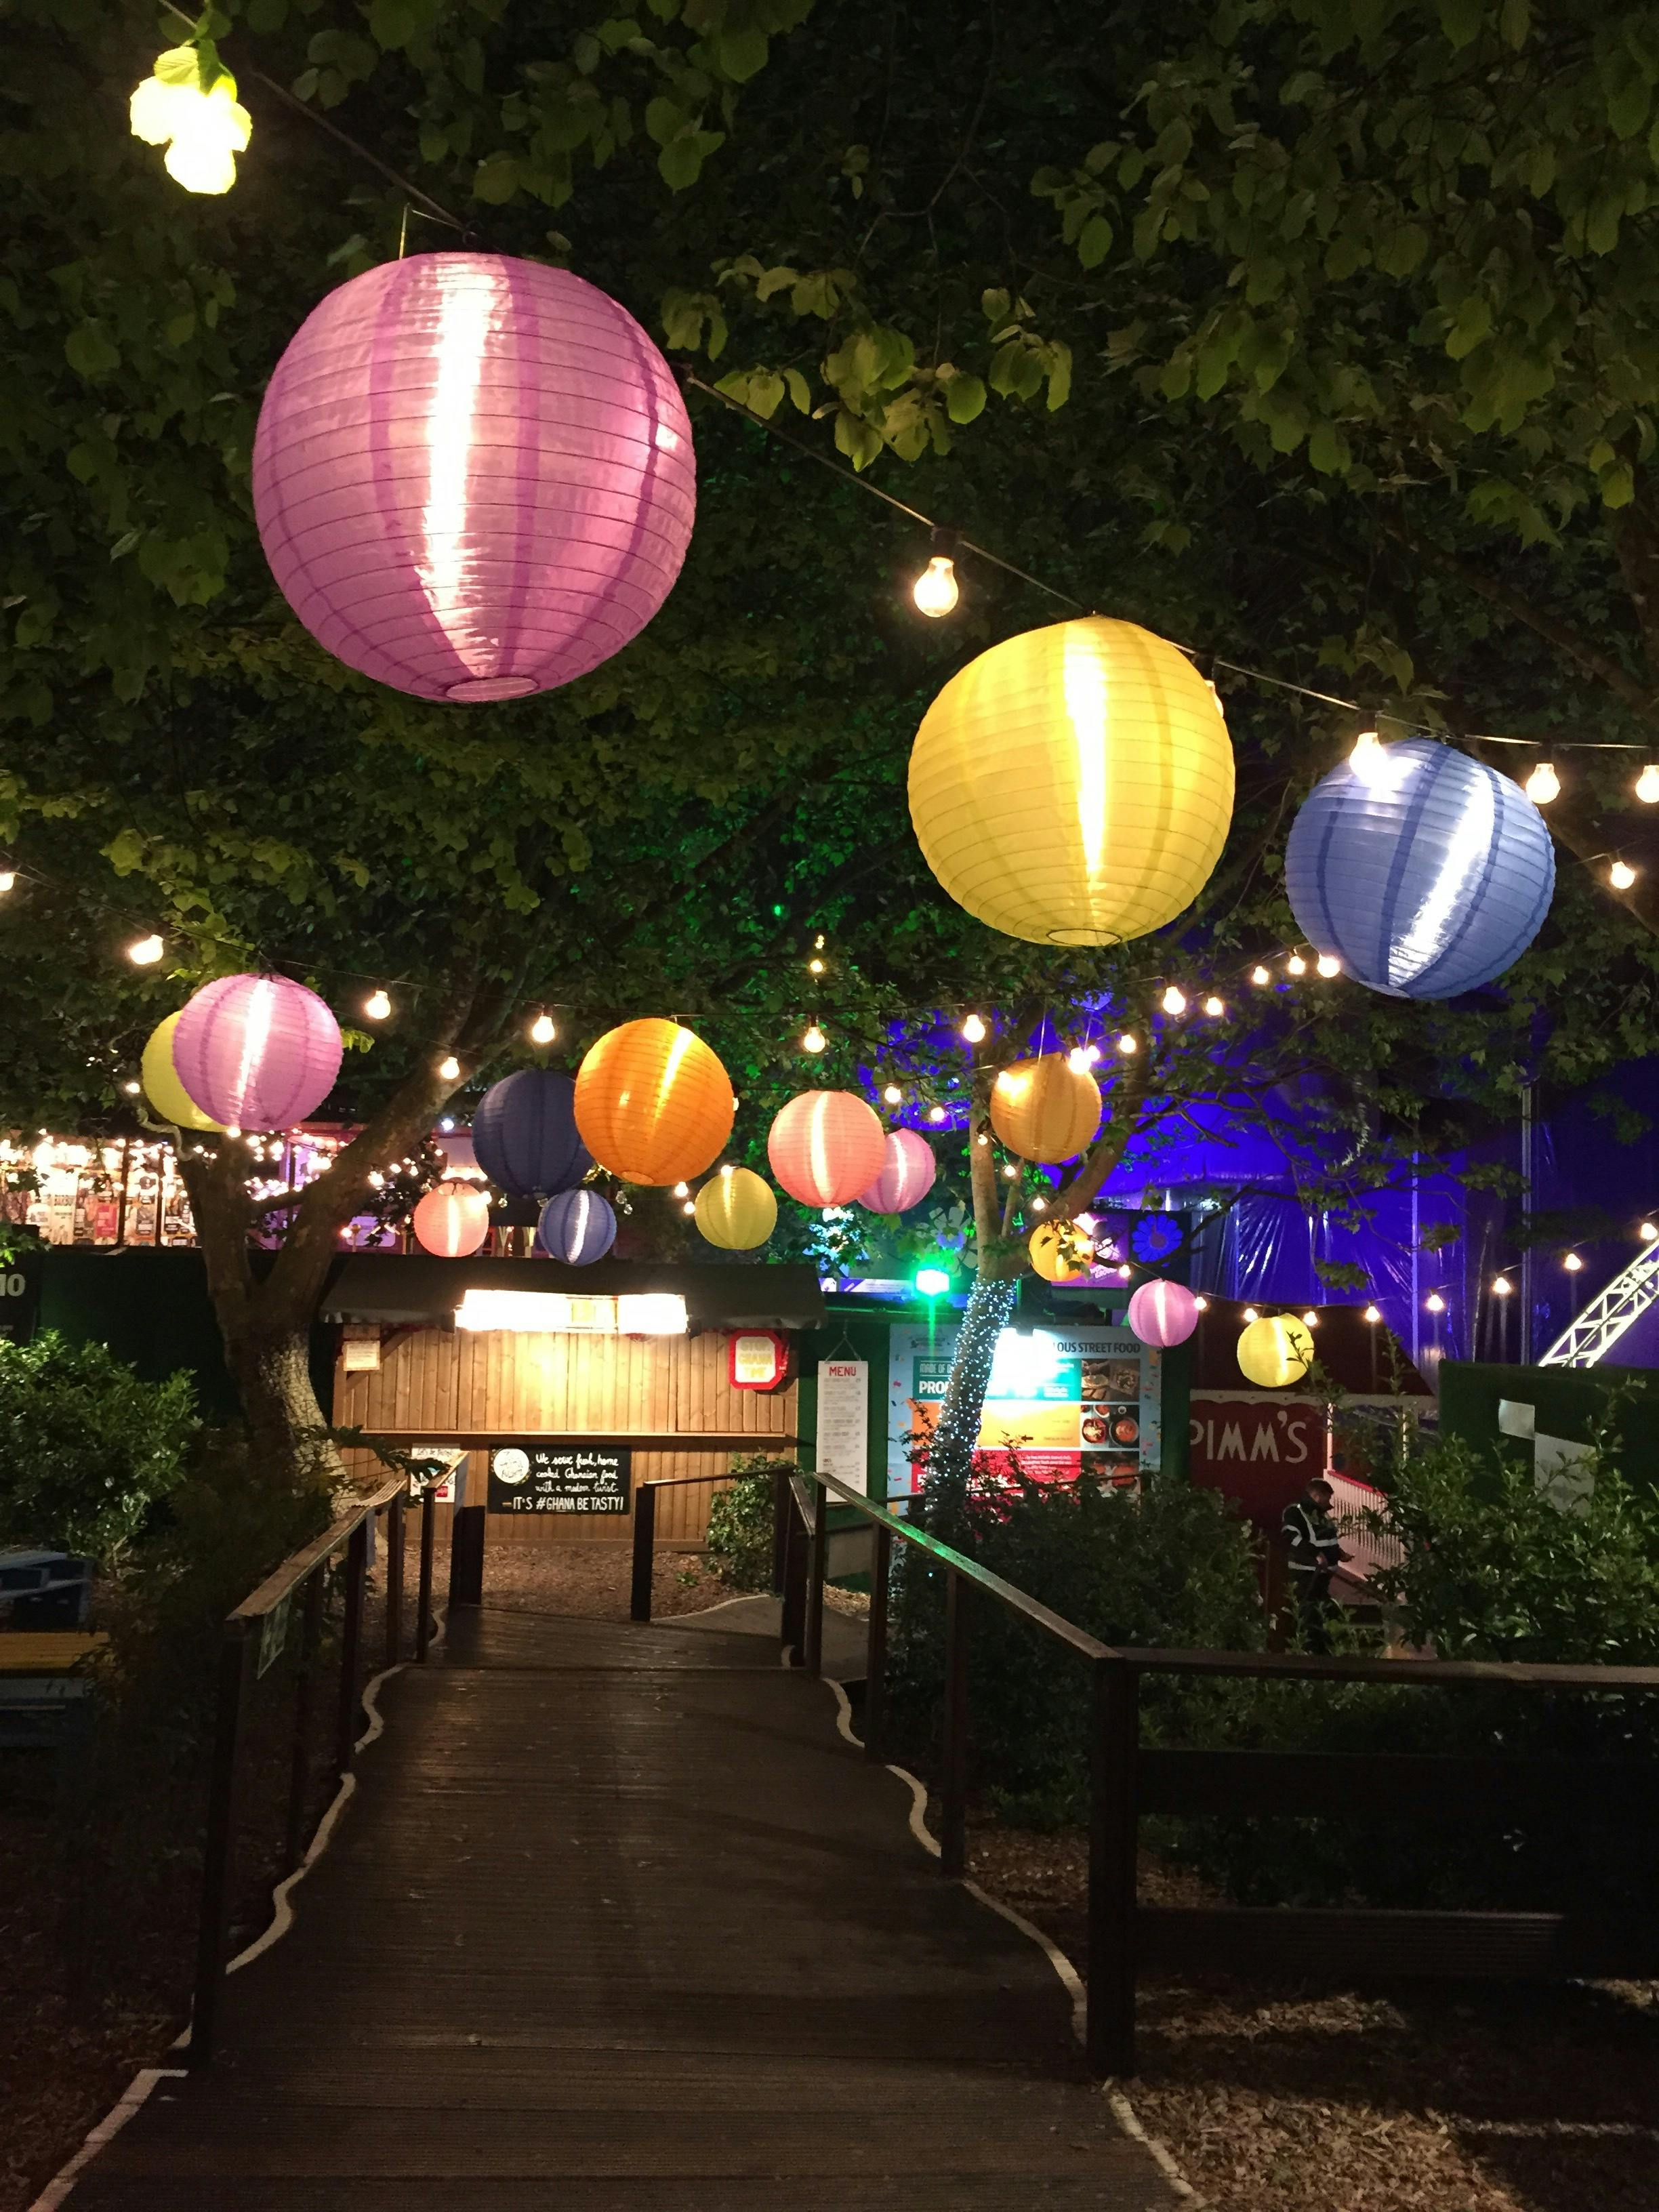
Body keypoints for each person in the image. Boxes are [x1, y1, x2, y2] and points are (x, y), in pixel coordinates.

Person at [1280, 1476, 1349, 1650]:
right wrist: (1315, 1555)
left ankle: (1322, 1648)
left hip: (1322, 1575)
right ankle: (1310, 1651)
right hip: (1307, 1574)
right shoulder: (1296, 1512)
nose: (1329, 1502)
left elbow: (1327, 1538)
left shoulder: (1320, 1515)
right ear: (1318, 1496)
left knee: (1322, 1612)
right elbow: (1291, 1537)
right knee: (1309, 1613)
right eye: (1328, 1497)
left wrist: (1339, 1554)